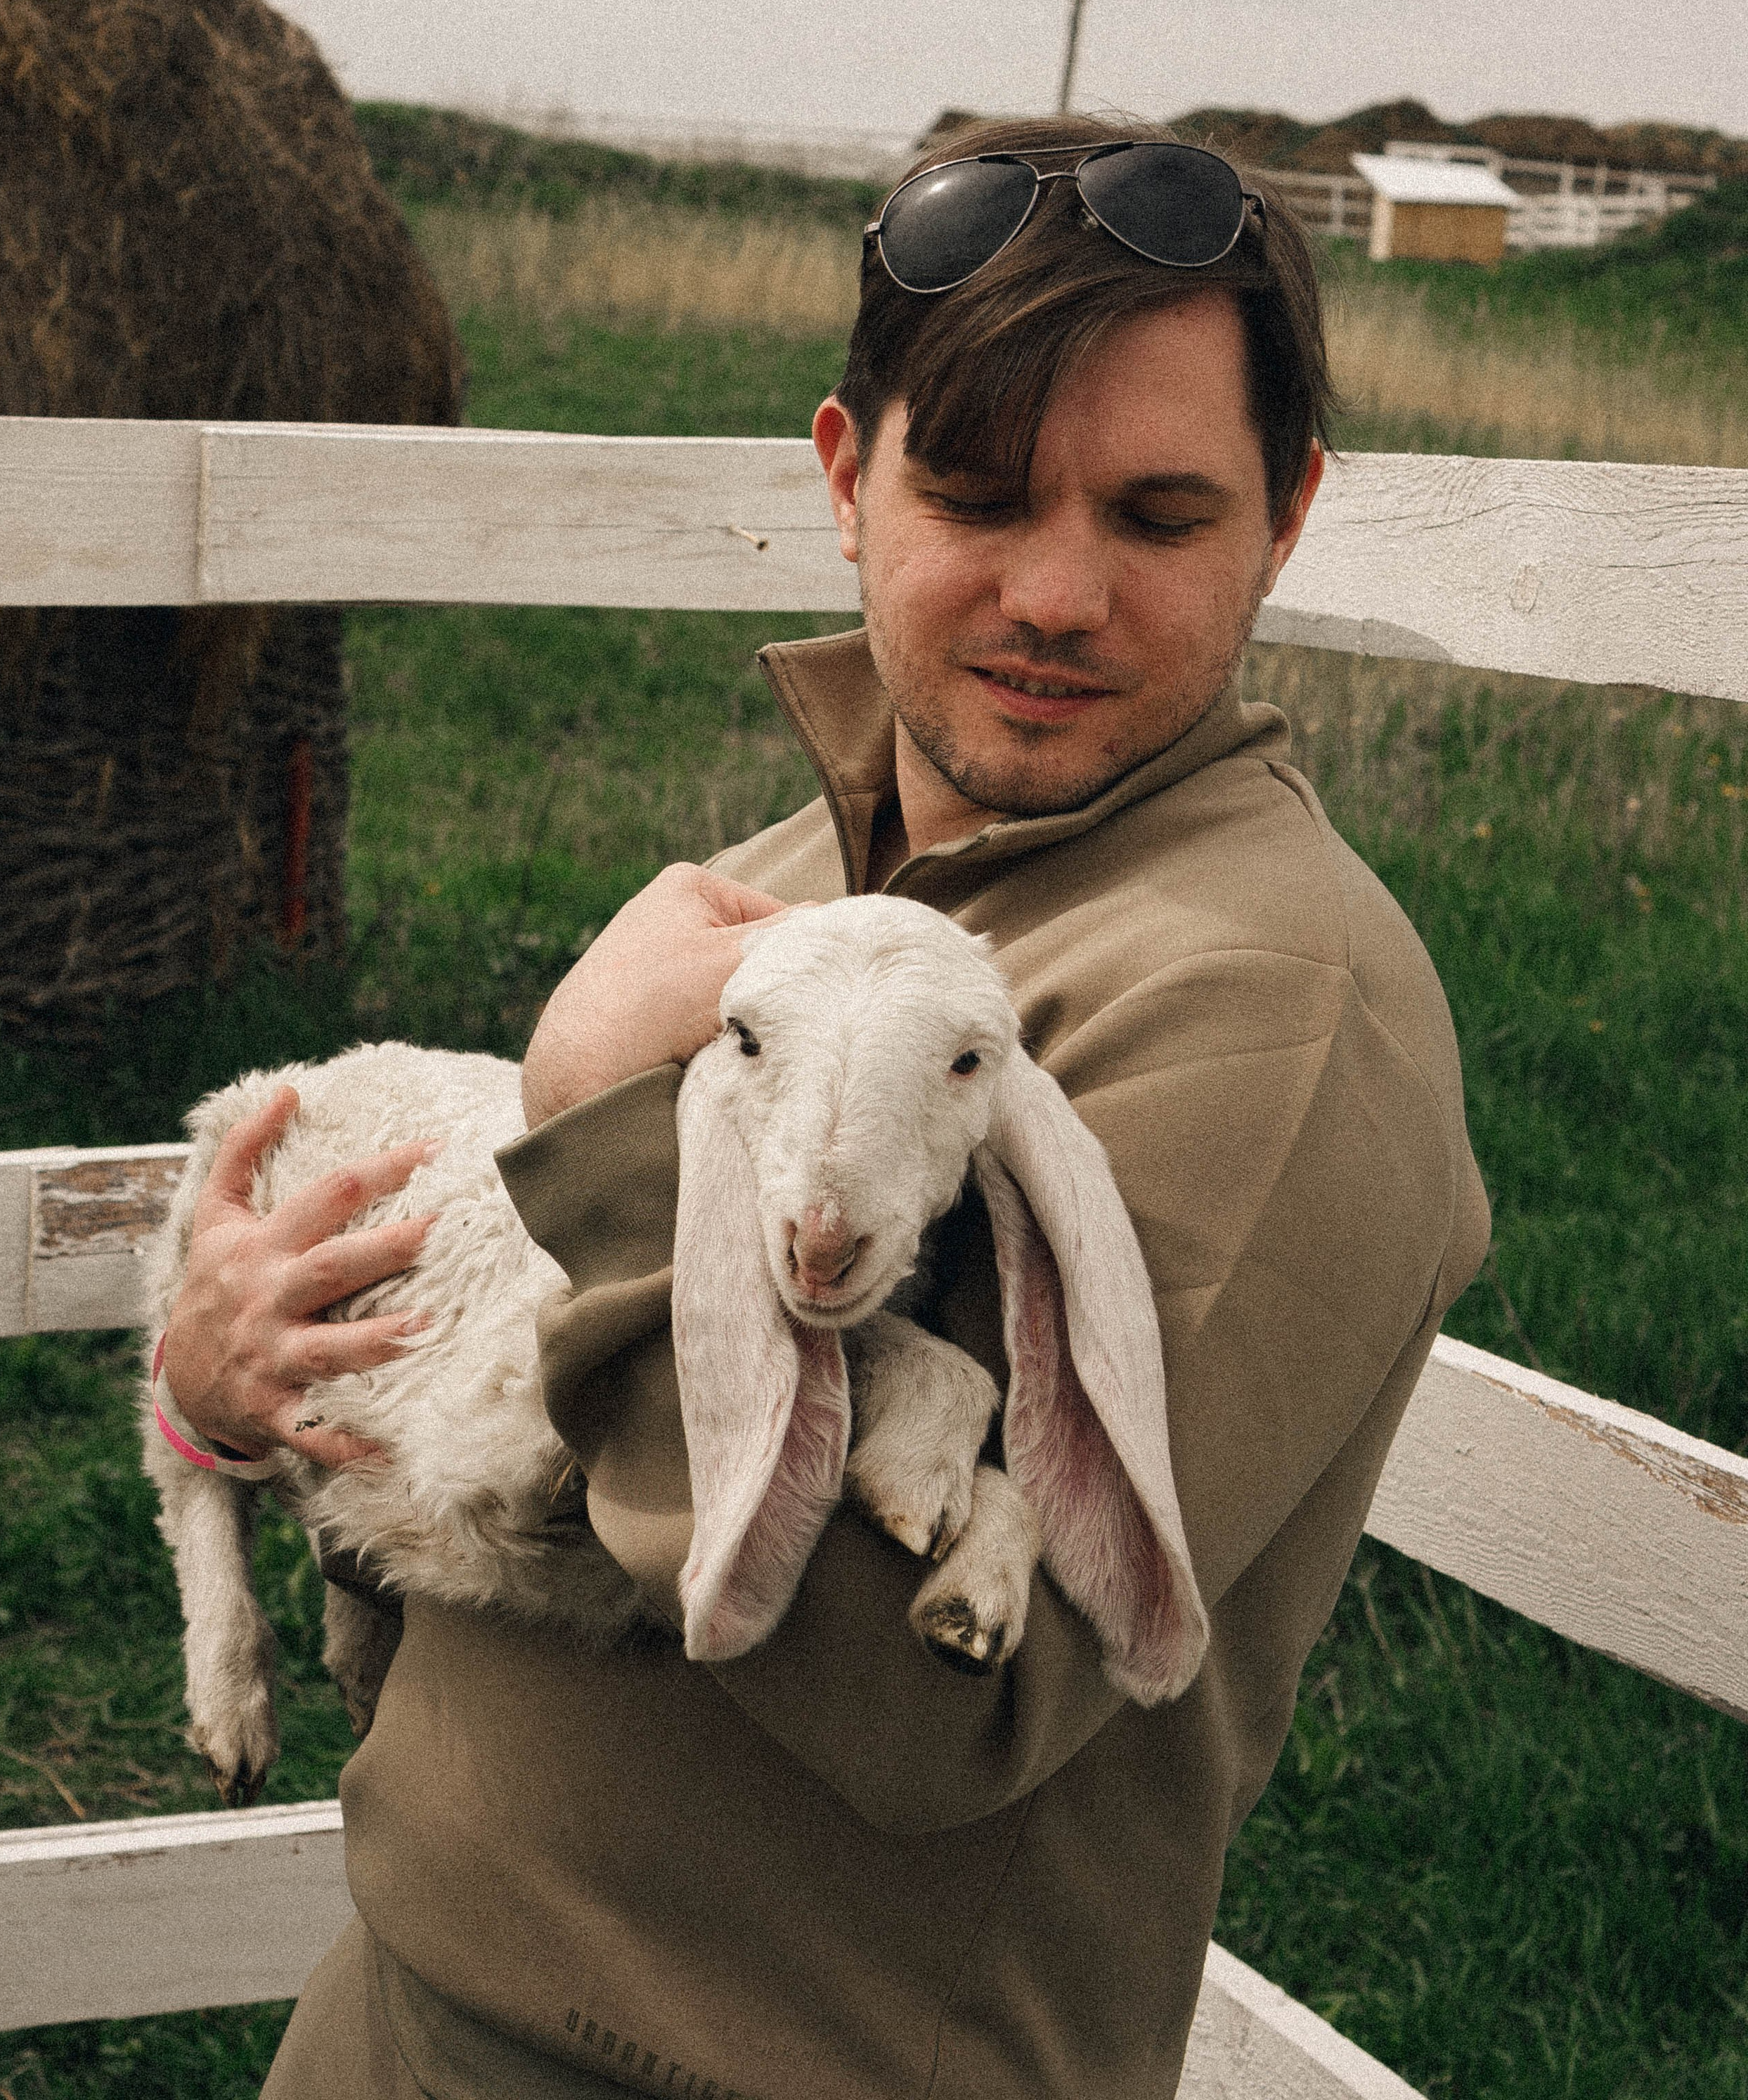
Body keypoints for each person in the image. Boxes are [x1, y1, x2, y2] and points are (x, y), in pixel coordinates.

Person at [163, 117, 1489, 2100]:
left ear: (1287, 515)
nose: (1057, 593)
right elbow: (535, 1426)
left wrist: (608, 1129)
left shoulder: (1275, 1006)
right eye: (972, 490)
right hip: (410, 1998)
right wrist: (241, 1378)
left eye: (1158, 515)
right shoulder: (814, 882)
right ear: (845, 479)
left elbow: (951, 1712)